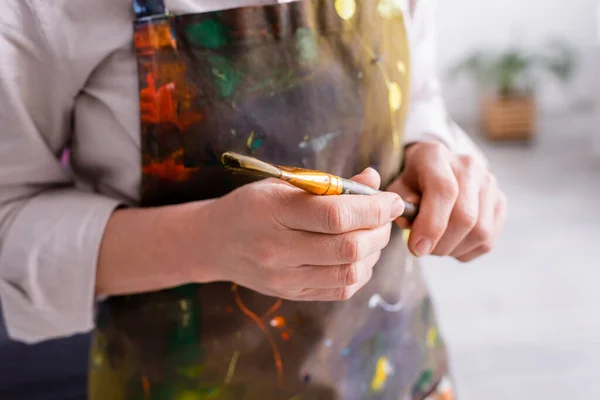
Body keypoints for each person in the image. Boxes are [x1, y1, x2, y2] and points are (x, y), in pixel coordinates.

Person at [0, 0, 506, 399]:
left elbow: (419, 95)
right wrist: (208, 240)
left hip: (395, 366)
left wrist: (434, 149)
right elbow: (10, 217)